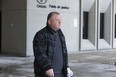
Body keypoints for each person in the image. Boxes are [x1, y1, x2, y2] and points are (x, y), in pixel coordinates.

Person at [33, 12, 68, 77]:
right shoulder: (40, 35)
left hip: (61, 74)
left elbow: (64, 53)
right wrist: (47, 67)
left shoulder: (60, 34)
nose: (60, 22)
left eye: (60, 20)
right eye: (57, 20)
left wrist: (66, 67)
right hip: (46, 74)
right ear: (49, 22)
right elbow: (39, 54)